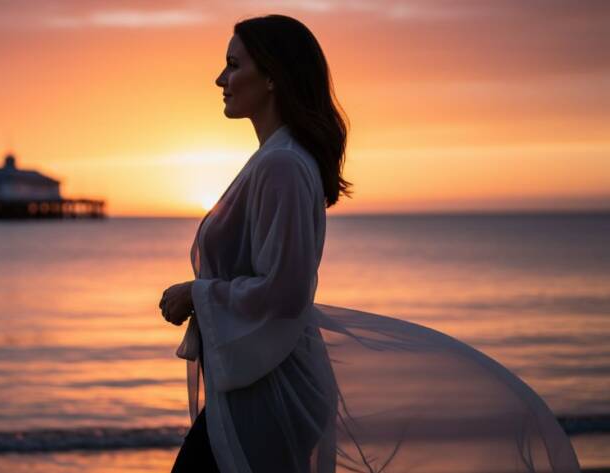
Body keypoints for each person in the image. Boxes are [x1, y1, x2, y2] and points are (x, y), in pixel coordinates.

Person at [159, 14, 581, 473]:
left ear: (272, 76)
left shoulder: (282, 165)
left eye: (233, 64)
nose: (220, 79)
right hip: (263, 382)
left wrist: (197, 293)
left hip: (273, 391)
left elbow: (286, 290)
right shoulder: (277, 159)